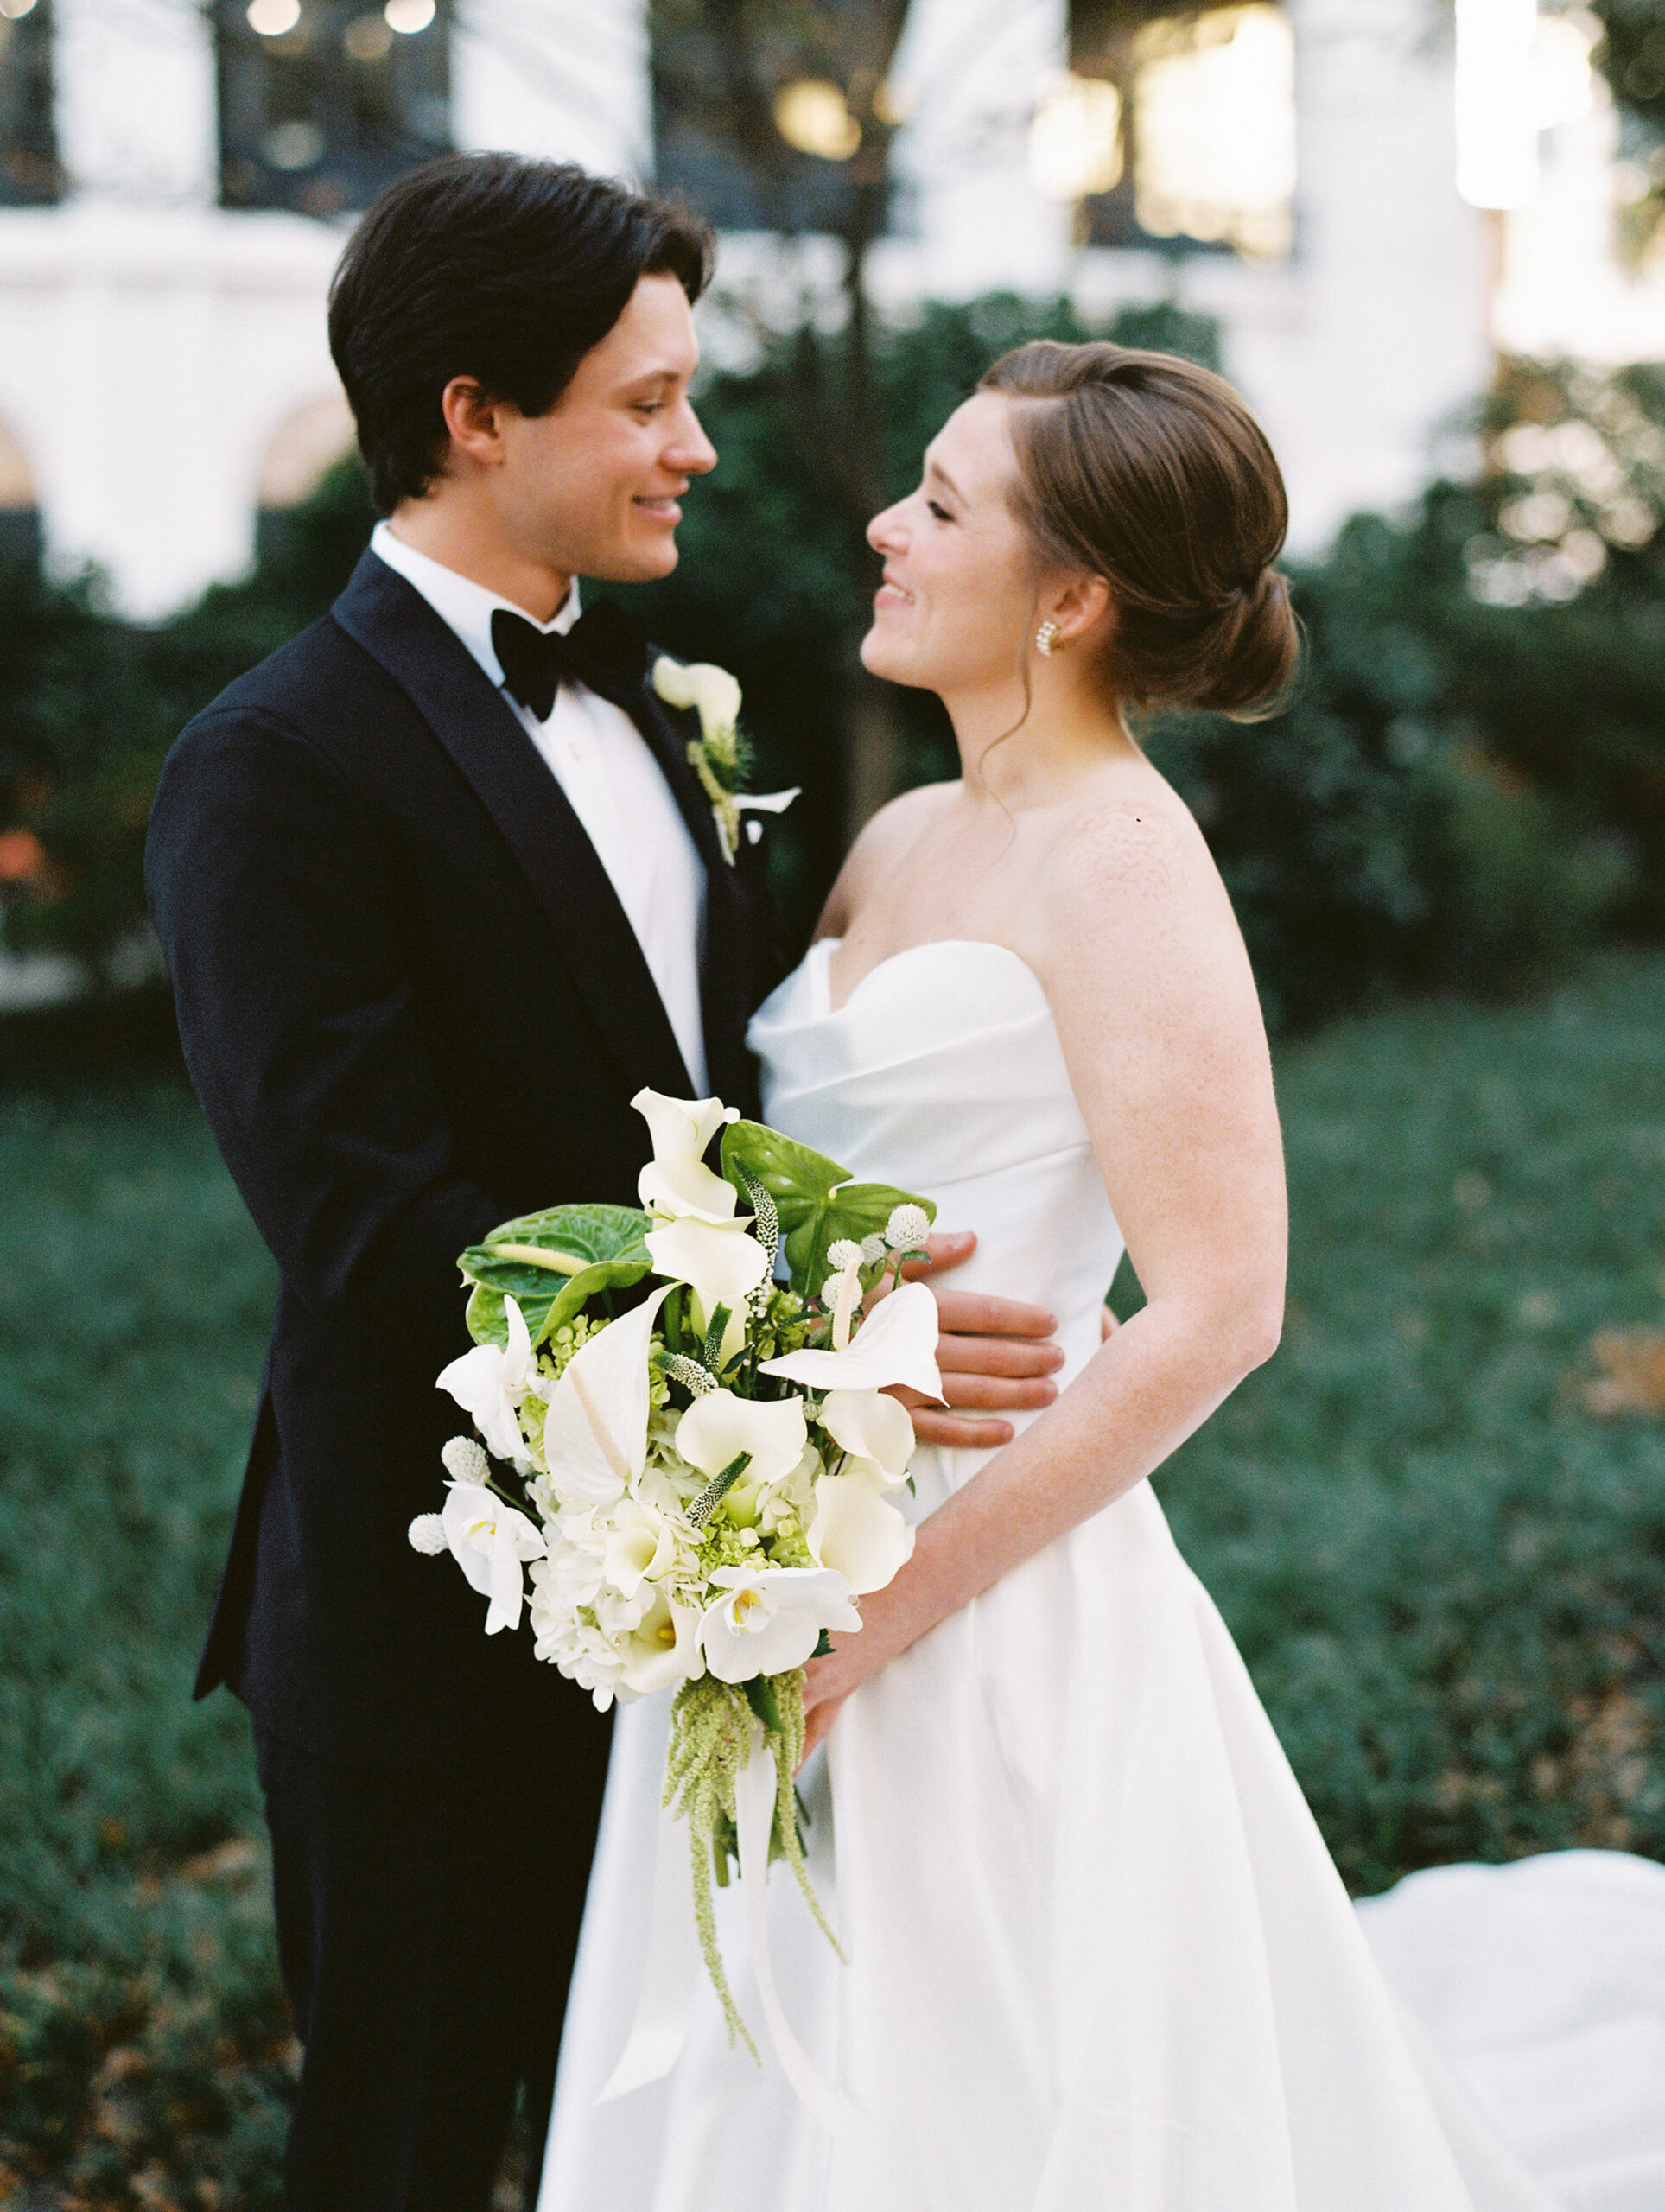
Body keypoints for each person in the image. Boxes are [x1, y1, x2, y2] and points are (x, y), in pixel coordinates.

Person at [537, 345, 1566, 2209]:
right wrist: (741, 1377)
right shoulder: (903, 836)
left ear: (1072, 596)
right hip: (770, 1534)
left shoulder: (1124, 865)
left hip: (983, 1586)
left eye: (938, 502)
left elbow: (1223, 1303)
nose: (881, 524)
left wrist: (884, 1611)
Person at [143, 152, 1062, 2212]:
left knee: (659, 2144)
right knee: (402, 2144)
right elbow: (380, 1233)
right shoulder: (274, 764)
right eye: (646, 401)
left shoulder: (656, 706)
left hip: (710, 1603)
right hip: (433, 1615)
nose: (699, 446)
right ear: (477, 413)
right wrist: (819, 1355)